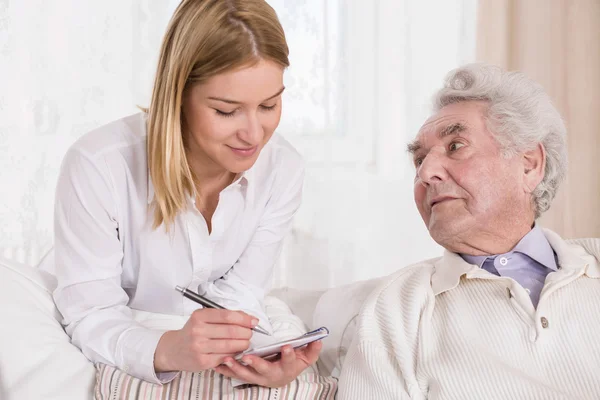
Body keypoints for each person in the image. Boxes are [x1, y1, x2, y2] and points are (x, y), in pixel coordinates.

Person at [52, 0, 321, 388]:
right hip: (117, 332)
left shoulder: (283, 167)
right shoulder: (99, 165)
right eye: (227, 111)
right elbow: (89, 314)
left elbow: (243, 294)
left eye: (269, 105)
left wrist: (258, 357)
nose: (254, 134)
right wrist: (165, 349)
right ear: (177, 95)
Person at [338, 63, 600, 399]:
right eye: (419, 160)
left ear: (529, 164)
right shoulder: (399, 307)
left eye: (456, 146)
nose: (427, 172)